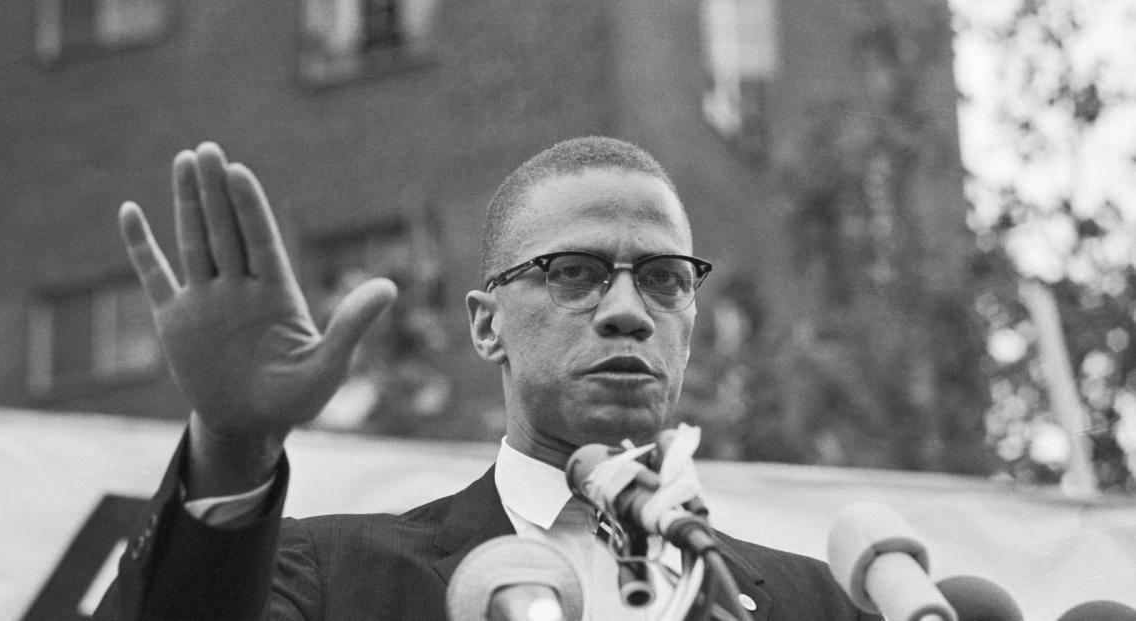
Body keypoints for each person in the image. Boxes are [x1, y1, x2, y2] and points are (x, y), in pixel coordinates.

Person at [96, 138, 874, 620]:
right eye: (576, 272)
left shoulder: (822, 606)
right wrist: (232, 449)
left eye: (667, 279)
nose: (629, 311)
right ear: (484, 324)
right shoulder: (333, 580)